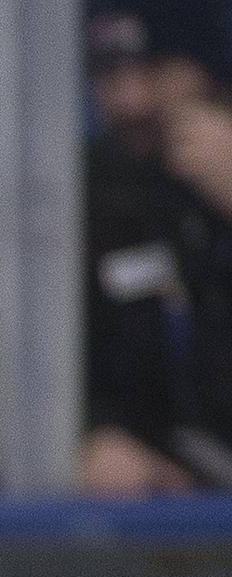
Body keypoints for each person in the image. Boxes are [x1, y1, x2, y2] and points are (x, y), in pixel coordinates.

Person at [81, 0, 232, 492]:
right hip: (162, 498)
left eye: (154, 71)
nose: (131, 101)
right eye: (109, 74)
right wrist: (87, 437)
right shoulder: (88, 193)